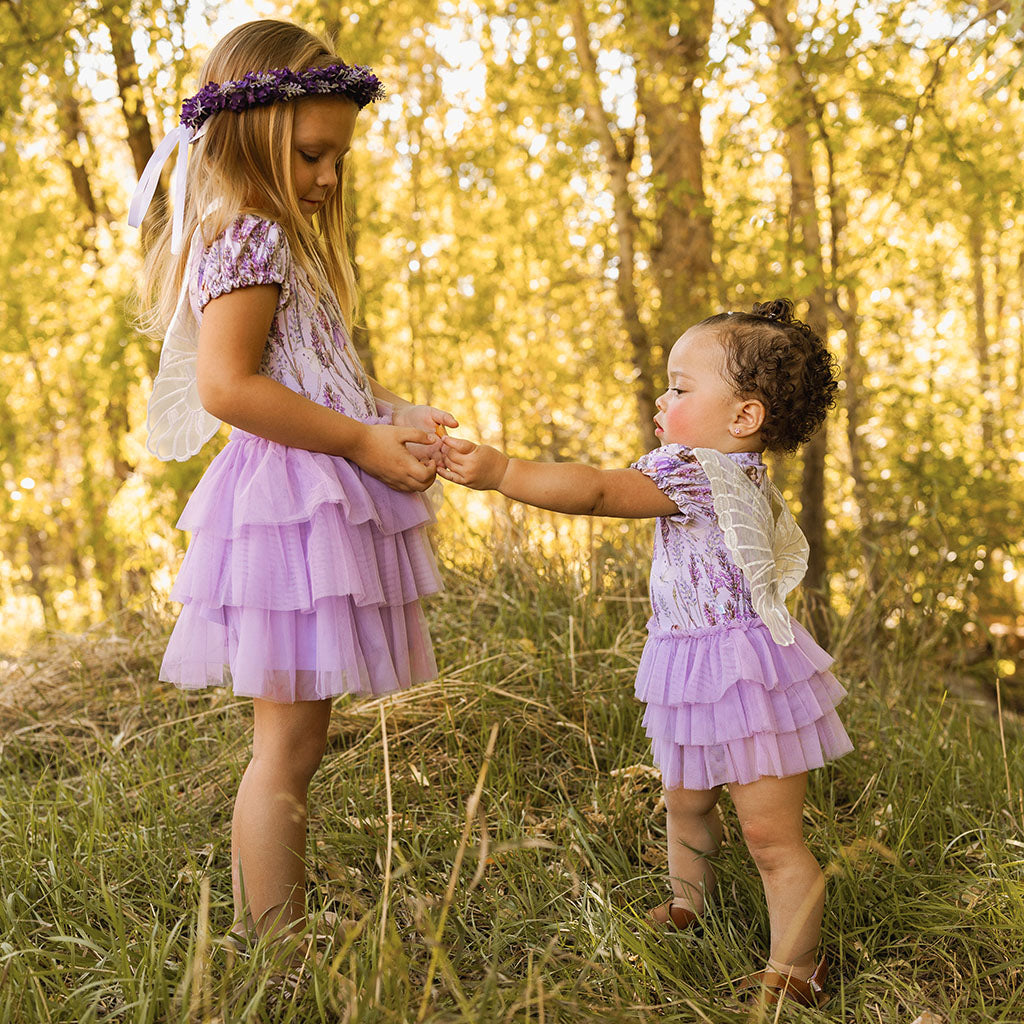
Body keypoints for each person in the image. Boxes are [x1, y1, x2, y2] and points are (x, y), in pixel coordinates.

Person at [131, 19, 456, 962]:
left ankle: (277, 927)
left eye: (338, 158)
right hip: (287, 510)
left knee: (297, 745)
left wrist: (388, 412)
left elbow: (309, 371)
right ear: (249, 135)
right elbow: (228, 388)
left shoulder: (274, 238)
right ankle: (271, 948)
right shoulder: (249, 237)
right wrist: (359, 441)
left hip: (304, 498)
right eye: (312, 155)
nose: (328, 177)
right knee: (285, 749)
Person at [438, 300, 853, 1007]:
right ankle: (690, 903)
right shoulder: (720, 468)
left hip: (747, 676)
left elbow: (599, 490)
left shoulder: (699, 471)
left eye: (680, 387)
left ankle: (798, 969)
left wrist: (504, 471)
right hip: (694, 665)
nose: (663, 400)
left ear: (744, 416)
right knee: (684, 802)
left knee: (770, 836)